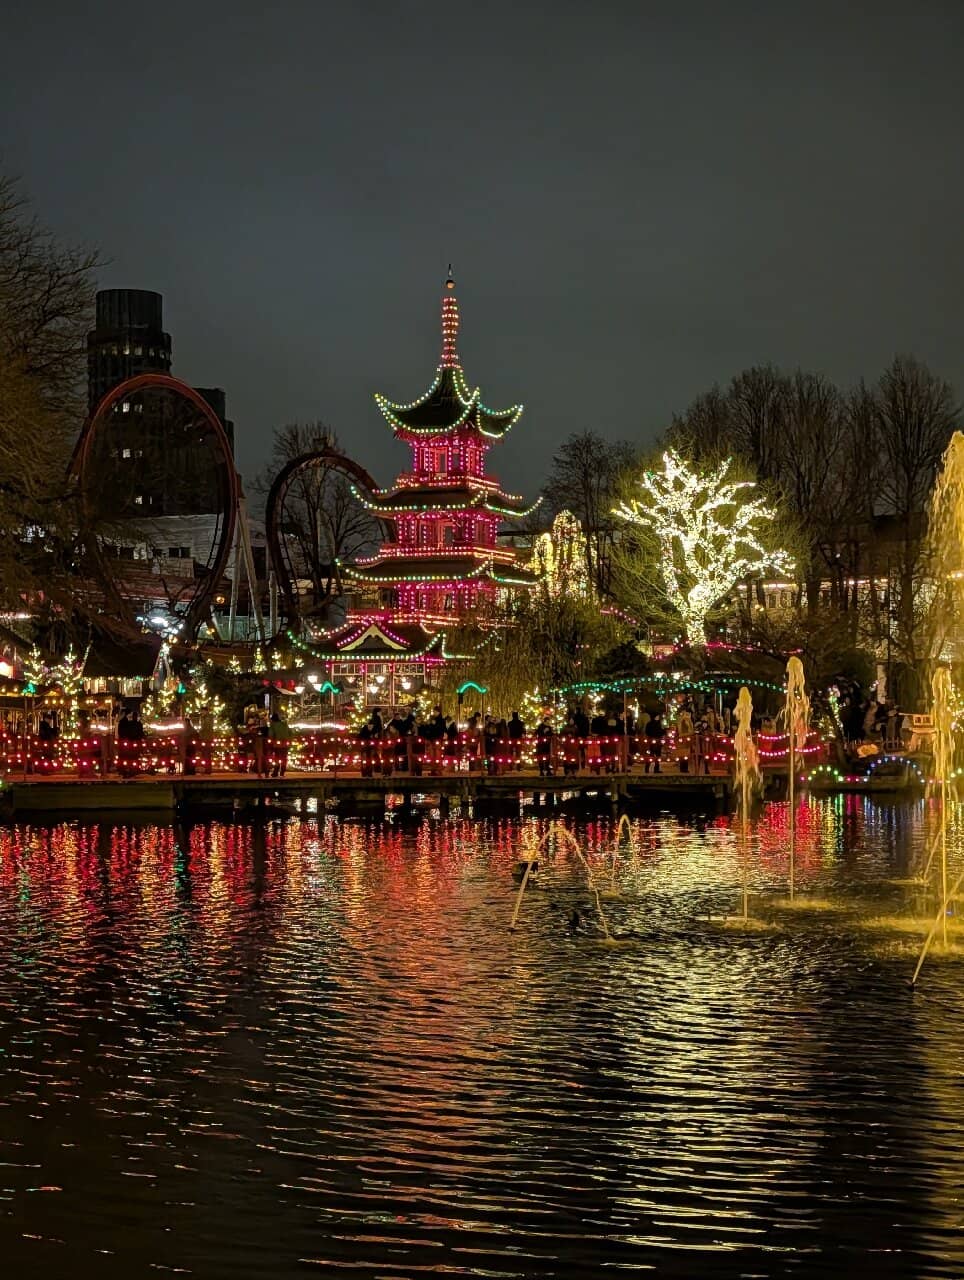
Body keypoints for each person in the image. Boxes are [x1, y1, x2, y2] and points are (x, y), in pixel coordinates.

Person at [268, 712, 293, 777]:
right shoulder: (284, 724)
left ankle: (275, 772)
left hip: (277, 744)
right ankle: (282, 771)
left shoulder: (273, 725)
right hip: (285, 743)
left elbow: (270, 734)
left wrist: (270, 741)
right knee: (284, 757)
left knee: (277, 758)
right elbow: (291, 733)